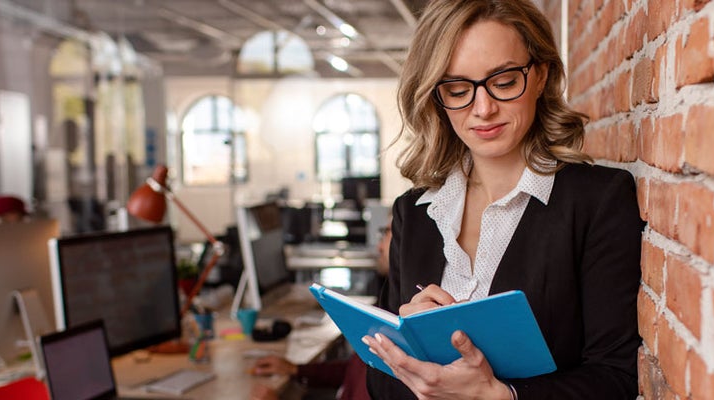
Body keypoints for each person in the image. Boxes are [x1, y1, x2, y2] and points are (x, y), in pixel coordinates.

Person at [362, 0, 644, 399]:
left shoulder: (597, 200)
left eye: (505, 81)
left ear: (541, 75)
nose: (483, 109)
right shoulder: (414, 212)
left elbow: (617, 378)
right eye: (457, 89)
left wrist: (499, 396)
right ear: (436, 98)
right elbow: (377, 382)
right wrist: (406, 350)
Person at [249, 221, 393, 400]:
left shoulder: (396, 323)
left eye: (386, 233)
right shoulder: (387, 305)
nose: (378, 246)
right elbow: (355, 372)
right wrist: (296, 369)